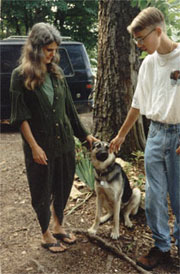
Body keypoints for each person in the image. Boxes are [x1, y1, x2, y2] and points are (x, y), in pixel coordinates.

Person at [10, 22, 97, 253]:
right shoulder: (20, 76)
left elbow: (70, 109)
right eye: (49, 50)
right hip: (40, 145)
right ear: (36, 48)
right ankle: (45, 232)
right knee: (41, 188)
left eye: (55, 50)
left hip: (64, 142)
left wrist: (85, 135)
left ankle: (59, 226)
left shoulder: (57, 74)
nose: (53, 54)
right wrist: (34, 147)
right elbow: (21, 118)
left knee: (63, 184)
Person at [109, 7, 180, 271]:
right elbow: (137, 104)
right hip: (156, 134)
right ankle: (162, 247)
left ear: (158, 31)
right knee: (154, 196)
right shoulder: (149, 63)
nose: (139, 45)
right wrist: (121, 134)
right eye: (136, 40)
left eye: (141, 39)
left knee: (179, 195)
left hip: (179, 135)